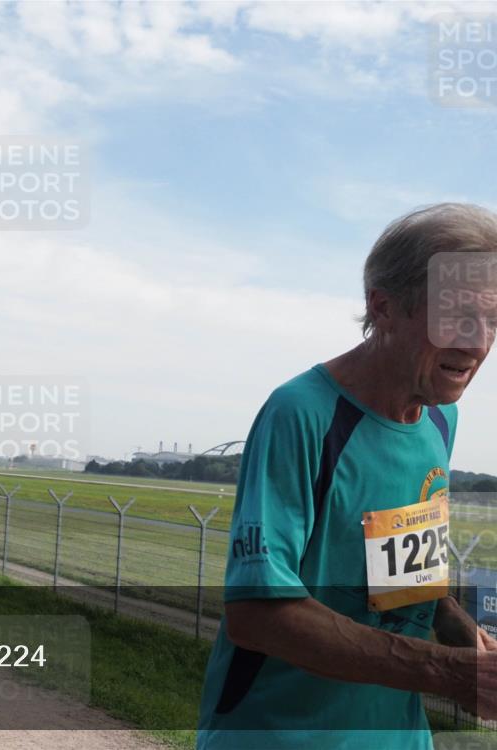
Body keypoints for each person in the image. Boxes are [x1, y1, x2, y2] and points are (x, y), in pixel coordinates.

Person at [197, 203, 497, 750]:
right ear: (382, 307)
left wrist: (453, 625)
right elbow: (255, 615)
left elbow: (396, 567)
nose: (478, 344)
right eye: (456, 317)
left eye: (493, 320)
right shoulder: (301, 413)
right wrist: (449, 675)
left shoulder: (438, 415)